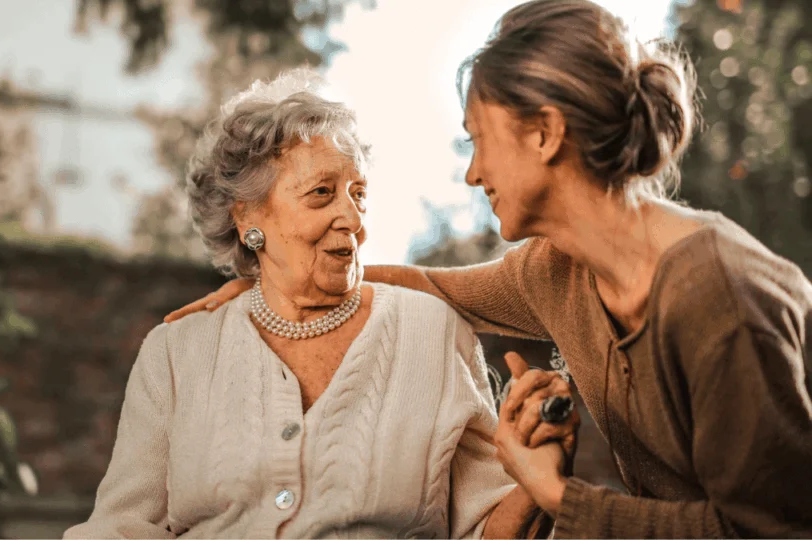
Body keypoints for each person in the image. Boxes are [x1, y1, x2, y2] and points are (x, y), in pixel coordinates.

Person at [164, 1, 812, 537]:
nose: (473, 172)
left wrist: (559, 496)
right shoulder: (556, 270)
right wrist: (271, 277)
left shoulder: (718, 296)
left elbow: (770, 530)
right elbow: (431, 285)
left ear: (544, 133)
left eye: (478, 138)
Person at [65, 68, 566, 539]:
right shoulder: (176, 353)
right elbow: (121, 527)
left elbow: (484, 528)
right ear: (248, 219)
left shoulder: (432, 332)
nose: (352, 217)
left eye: (359, 193)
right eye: (322, 194)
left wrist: (534, 478)